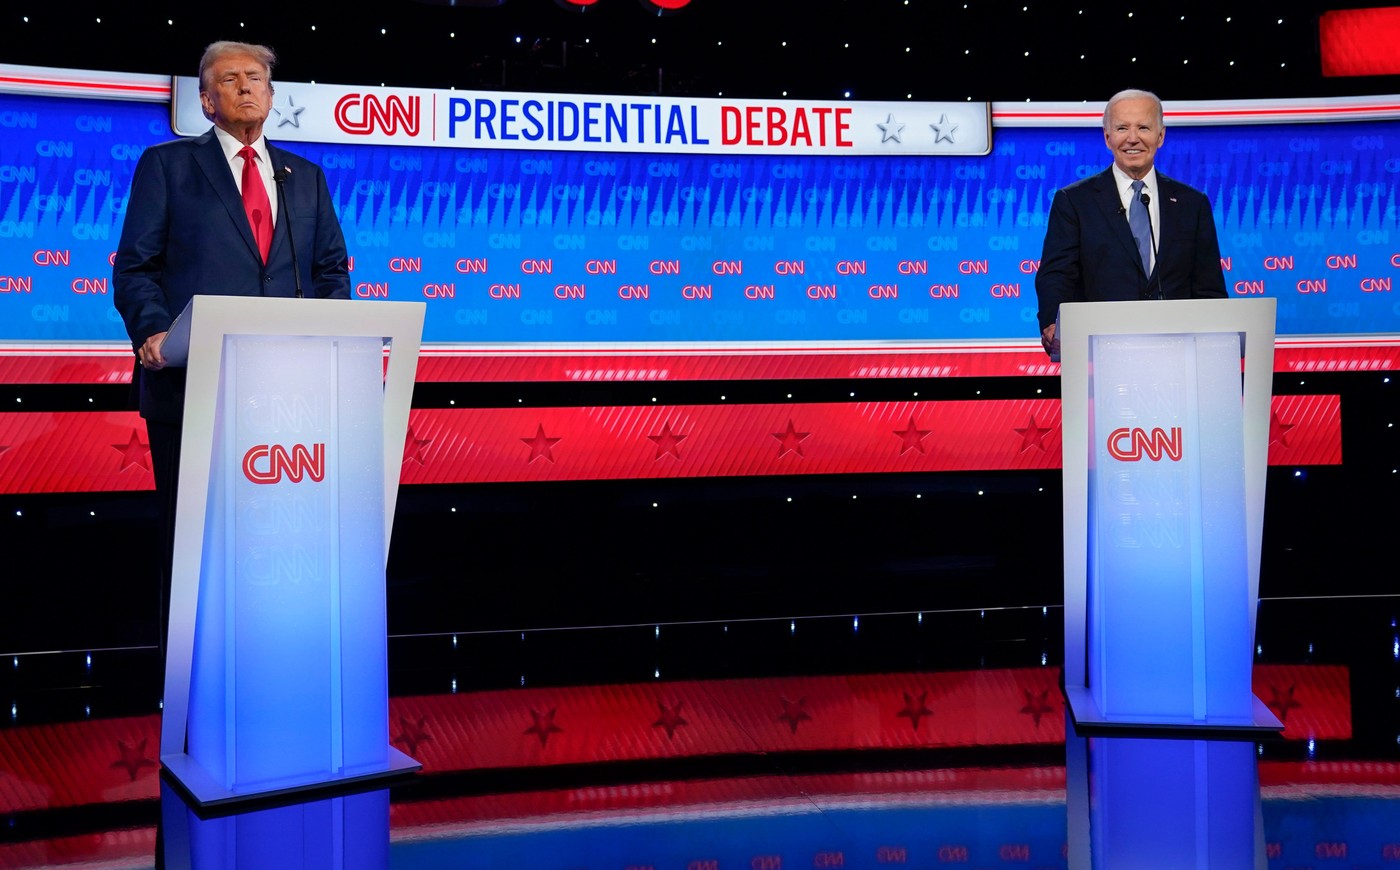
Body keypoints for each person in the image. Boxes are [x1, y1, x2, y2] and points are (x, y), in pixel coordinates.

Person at [112, 41, 351, 662]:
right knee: (196, 548)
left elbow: (330, 273)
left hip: (288, 402)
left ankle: (277, 665)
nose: (246, 87)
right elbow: (136, 266)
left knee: (275, 545)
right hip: (193, 389)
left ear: (272, 95)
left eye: (256, 78)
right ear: (206, 100)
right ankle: (189, 685)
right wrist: (154, 333)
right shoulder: (166, 166)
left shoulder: (307, 178)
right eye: (229, 79)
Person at [1034, 88, 1226, 358]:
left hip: (1179, 354)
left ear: (1160, 136)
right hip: (1101, 352)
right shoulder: (1074, 201)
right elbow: (1057, 273)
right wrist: (1053, 322)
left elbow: (1209, 287)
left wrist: (1216, 342)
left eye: (1144, 128)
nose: (1132, 139)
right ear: (1107, 137)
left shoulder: (1192, 203)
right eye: (1122, 128)